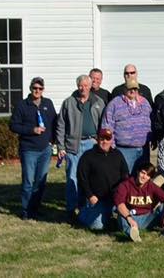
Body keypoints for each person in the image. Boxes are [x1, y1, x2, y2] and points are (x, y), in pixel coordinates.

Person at [56, 74, 107, 219]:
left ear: (90, 86)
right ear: (77, 86)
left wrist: (101, 143)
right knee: (73, 177)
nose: (83, 88)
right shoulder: (69, 102)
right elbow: (60, 125)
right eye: (80, 85)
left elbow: (104, 124)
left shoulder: (98, 102)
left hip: (92, 144)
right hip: (74, 145)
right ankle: (72, 209)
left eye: (86, 85)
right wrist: (61, 147)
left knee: (91, 177)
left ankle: (87, 207)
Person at [9, 77, 57, 220]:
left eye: (40, 88)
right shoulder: (22, 105)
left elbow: (54, 123)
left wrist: (52, 141)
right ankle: (26, 210)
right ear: (30, 88)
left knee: (40, 181)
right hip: (29, 149)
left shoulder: (47, 103)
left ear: (43, 89)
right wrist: (32, 129)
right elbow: (13, 125)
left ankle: (36, 208)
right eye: (35, 88)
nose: (37, 91)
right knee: (28, 181)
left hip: (45, 150)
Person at [76, 128, 129, 230]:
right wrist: (90, 195)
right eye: (102, 138)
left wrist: (123, 193)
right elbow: (82, 178)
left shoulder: (118, 154)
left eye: (107, 139)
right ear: (97, 139)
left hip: (115, 197)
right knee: (98, 226)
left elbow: (125, 175)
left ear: (111, 140)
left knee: (123, 219)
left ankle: (110, 217)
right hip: (97, 199)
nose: (105, 141)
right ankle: (83, 214)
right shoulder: (88, 156)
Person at [114, 163, 164, 241]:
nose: (144, 177)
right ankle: (132, 233)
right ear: (138, 172)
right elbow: (120, 204)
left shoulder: (151, 186)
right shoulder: (125, 185)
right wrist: (129, 218)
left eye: (148, 175)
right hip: (131, 217)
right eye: (143, 173)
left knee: (163, 206)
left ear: (150, 177)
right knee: (121, 215)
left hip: (147, 217)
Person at [102, 78, 153, 174]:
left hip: (143, 149)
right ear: (124, 89)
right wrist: (111, 146)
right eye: (130, 89)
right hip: (124, 150)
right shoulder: (115, 104)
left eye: (135, 89)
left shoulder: (145, 103)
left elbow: (151, 120)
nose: (133, 91)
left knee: (143, 178)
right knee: (125, 178)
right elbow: (107, 125)